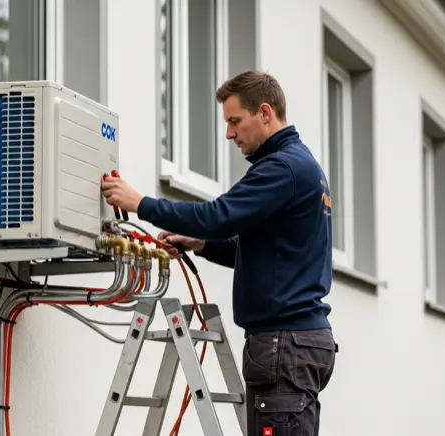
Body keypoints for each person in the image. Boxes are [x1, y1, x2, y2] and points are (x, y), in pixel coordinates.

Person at [101, 70, 338, 435]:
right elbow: (267, 252)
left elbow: (218, 216)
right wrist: (204, 244)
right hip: (298, 341)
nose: (229, 134)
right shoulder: (302, 166)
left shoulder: (282, 168)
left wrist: (140, 203)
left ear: (264, 112)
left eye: (234, 121)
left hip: (284, 343)